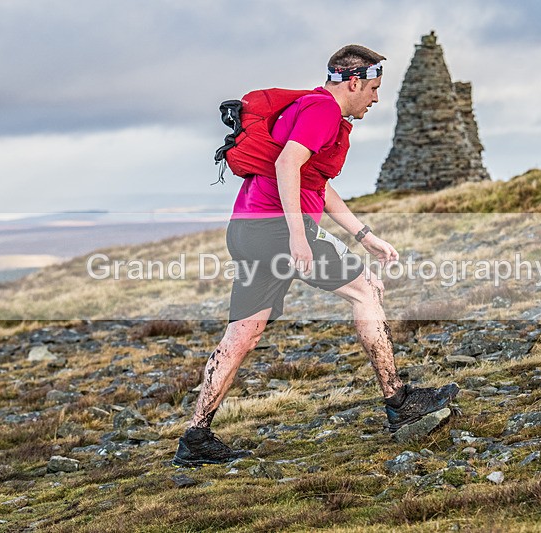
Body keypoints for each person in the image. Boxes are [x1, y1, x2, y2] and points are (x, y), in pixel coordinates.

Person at [173, 44, 459, 467]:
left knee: (243, 333)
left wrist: (365, 235)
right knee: (366, 290)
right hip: (276, 230)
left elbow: (316, 184)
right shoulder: (322, 110)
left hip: (248, 230)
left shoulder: (313, 110)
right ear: (354, 82)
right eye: (374, 89)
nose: (376, 99)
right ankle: (399, 402)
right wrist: (297, 236)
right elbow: (287, 165)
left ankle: (195, 438)